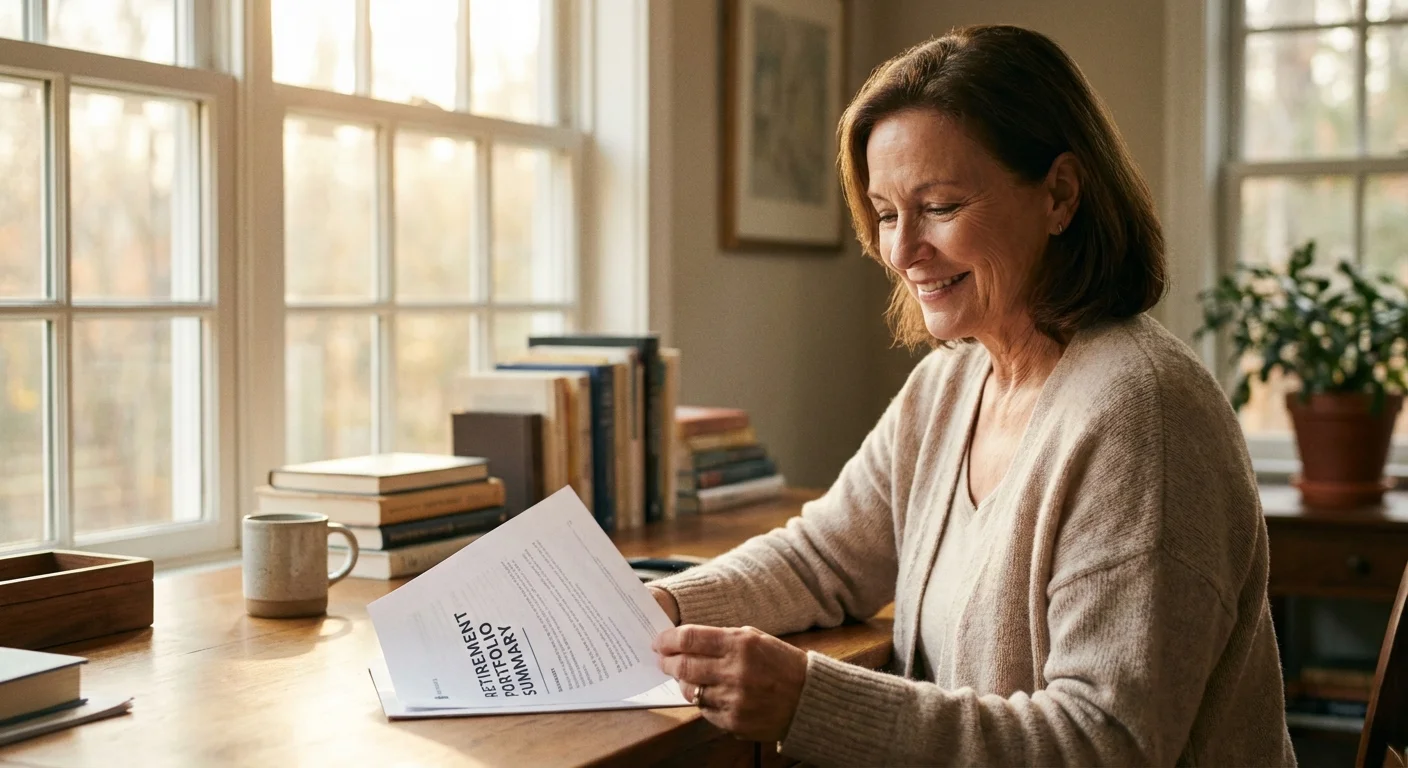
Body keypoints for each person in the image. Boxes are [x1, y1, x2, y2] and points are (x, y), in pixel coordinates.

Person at [647, 24, 1296, 767]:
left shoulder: (1142, 412)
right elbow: (820, 558)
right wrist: (663, 610)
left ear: (1059, 195)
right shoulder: (949, 383)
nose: (900, 250)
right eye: (887, 213)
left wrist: (809, 700)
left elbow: (1104, 745)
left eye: (941, 206)